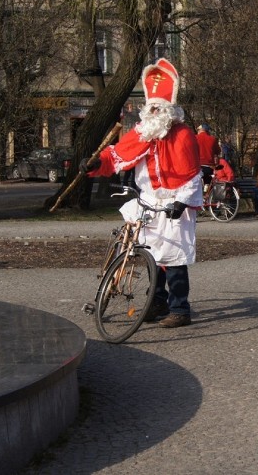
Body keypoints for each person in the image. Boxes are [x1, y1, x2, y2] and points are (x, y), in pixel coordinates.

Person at [82, 58, 202, 328]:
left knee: (173, 259)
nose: (155, 112)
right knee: (150, 255)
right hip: (148, 201)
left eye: (160, 108)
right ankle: (156, 301)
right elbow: (117, 156)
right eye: (152, 107)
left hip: (174, 202)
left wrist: (182, 202)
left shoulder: (183, 135)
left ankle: (180, 309)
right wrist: (95, 163)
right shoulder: (142, 132)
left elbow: (193, 174)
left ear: (170, 110)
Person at [196, 123, 221, 188]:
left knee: (196, 187)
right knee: (208, 186)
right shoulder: (213, 139)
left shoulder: (195, 138)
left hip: (197, 167)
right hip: (209, 166)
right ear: (207, 131)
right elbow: (218, 151)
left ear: (200, 130)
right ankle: (207, 194)